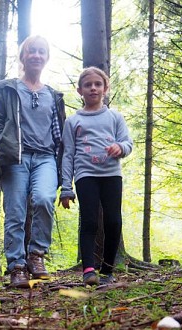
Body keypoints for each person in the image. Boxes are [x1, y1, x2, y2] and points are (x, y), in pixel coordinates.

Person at [0, 35, 66, 288]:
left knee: (44, 199)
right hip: (15, 157)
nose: (36, 56)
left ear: (47, 58)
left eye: (41, 52)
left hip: (46, 157)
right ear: (23, 56)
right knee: (16, 212)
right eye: (32, 51)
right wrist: (2, 141)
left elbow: (60, 132)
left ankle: (36, 255)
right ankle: (17, 267)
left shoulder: (53, 95)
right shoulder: (7, 88)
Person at [59, 67, 133, 286]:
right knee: (89, 220)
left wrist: (120, 147)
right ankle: (89, 270)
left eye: (98, 84)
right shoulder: (73, 121)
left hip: (111, 175)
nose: (93, 88)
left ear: (105, 88)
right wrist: (66, 187)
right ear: (80, 90)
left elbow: (128, 143)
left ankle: (108, 270)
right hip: (85, 175)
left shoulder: (115, 117)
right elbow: (68, 155)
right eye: (88, 85)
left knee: (113, 221)